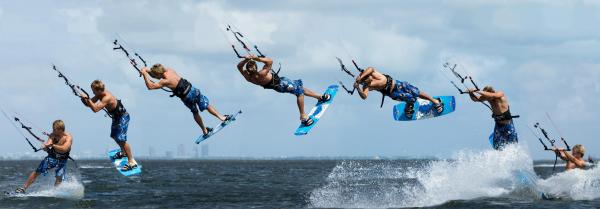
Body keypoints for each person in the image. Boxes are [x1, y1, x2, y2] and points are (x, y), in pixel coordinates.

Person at [236, 55, 330, 126]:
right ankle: (303, 117)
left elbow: (239, 67)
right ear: (256, 67)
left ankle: (319, 97)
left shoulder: (248, 77)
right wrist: (256, 58)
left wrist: (245, 60)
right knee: (299, 93)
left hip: (279, 85)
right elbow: (270, 61)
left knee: (299, 88)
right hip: (282, 84)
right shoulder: (261, 74)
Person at [141, 64, 231, 137]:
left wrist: (145, 74)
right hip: (192, 90)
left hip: (186, 97)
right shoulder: (170, 70)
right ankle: (222, 117)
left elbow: (150, 86)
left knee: (195, 113)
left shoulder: (164, 81)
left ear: (159, 74)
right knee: (207, 105)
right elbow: (157, 75)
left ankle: (204, 130)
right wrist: (147, 70)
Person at [81, 80, 138, 171]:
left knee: (122, 139)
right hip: (116, 117)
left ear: (99, 90)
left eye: (93, 91)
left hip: (123, 117)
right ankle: (123, 153)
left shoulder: (106, 97)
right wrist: (83, 99)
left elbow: (95, 109)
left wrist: (87, 100)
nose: (92, 92)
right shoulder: (99, 95)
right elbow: (89, 104)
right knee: (114, 136)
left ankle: (131, 161)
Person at [353, 67, 443, 117]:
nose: (368, 79)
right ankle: (407, 109)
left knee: (415, 91)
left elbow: (370, 68)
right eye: (365, 81)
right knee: (411, 98)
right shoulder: (367, 86)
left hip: (397, 84)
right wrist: (358, 88)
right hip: (393, 93)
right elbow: (364, 96)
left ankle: (435, 101)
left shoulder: (372, 74)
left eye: (366, 77)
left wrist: (360, 77)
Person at [15, 120, 72, 194]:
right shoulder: (52, 135)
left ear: (61, 129)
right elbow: (49, 142)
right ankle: (23, 189)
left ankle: (55, 192)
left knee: (59, 177)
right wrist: (45, 146)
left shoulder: (68, 138)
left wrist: (53, 145)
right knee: (37, 171)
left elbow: (64, 148)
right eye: (53, 129)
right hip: (52, 157)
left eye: (55, 129)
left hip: (62, 159)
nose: (53, 131)